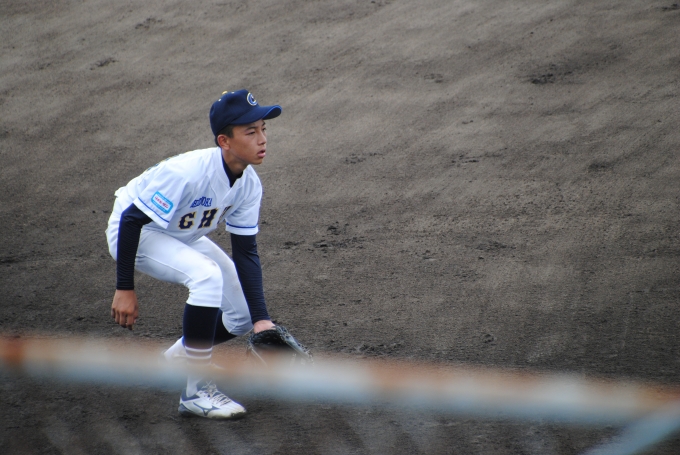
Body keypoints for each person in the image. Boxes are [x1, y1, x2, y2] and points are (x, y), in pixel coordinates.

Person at [105, 89, 281, 419]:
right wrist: (124, 288)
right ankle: (195, 392)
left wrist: (261, 320)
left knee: (242, 312)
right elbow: (131, 220)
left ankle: (178, 359)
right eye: (250, 132)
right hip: (136, 233)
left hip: (180, 234)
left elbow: (246, 252)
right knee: (206, 276)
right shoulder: (187, 173)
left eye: (263, 129)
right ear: (224, 141)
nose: (262, 139)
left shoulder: (248, 184)